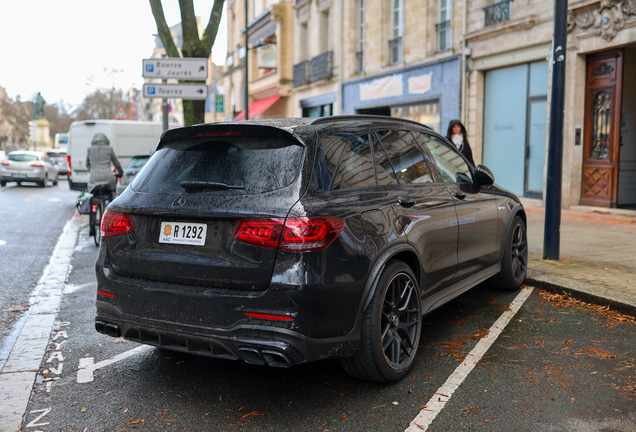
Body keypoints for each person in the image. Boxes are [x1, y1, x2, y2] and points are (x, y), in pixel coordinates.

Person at [86, 133, 123, 197]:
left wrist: (91, 171)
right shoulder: (109, 149)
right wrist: (120, 172)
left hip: (94, 178)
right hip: (108, 177)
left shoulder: (90, 150)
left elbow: (87, 164)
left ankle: (94, 205)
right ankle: (111, 203)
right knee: (112, 193)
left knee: (92, 196)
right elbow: (116, 163)